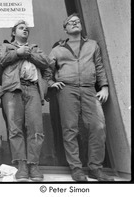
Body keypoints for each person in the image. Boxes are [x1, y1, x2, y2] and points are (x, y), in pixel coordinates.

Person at [48, 13, 114, 181]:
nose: (75, 23)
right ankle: (76, 169)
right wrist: (50, 82)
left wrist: (104, 87)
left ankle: (95, 168)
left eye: (77, 21)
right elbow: (47, 70)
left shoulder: (92, 45)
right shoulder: (57, 49)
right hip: (67, 90)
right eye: (71, 22)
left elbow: (99, 66)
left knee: (98, 127)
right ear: (65, 29)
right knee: (70, 129)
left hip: (90, 89)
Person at [0, 20, 50, 182]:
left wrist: (28, 54)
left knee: (36, 128)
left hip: (33, 88)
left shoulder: (35, 49)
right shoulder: (5, 46)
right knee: (15, 129)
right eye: (21, 28)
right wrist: (18, 53)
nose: (25, 30)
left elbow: (46, 63)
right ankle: (22, 165)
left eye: (27, 29)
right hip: (12, 89)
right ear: (13, 33)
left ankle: (33, 164)